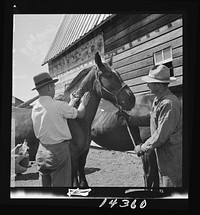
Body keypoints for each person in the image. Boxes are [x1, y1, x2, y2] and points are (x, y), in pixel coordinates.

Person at [117, 65, 182, 187]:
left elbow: (160, 136)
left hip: (171, 157)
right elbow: (151, 118)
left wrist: (141, 148)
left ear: (158, 85)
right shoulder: (159, 100)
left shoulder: (169, 104)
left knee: (171, 189)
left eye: (150, 83)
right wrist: (130, 119)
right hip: (164, 155)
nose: (147, 85)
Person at [31, 72, 90, 187]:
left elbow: (59, 112)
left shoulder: (35, 107)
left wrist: (72, 101)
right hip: (58, 152)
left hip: (41, 151)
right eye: (53, 86)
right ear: (49, 87)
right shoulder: (58, 105)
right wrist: (83, 103)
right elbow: (80, 113)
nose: (54, 89)